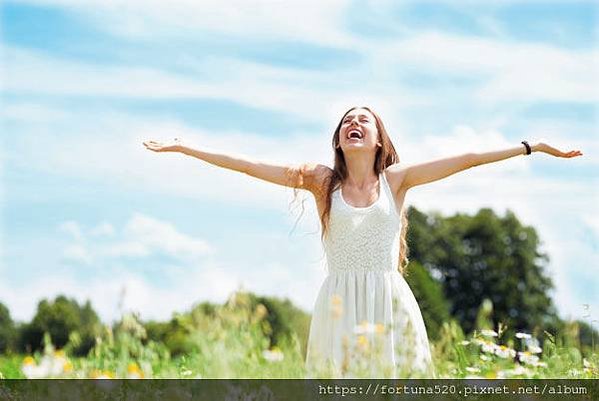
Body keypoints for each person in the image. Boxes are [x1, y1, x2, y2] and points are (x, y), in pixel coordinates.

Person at [143, 106, 582, 378]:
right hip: (338, 304)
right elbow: (250, 167)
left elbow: (466, 160)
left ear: (378, 140)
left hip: (389, 302)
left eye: (363, 121)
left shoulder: (397, 179)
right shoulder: (321, 182)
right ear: (339, 139)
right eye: (347, 121)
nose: (354, 124)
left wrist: (531, 147)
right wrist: (186, 148)